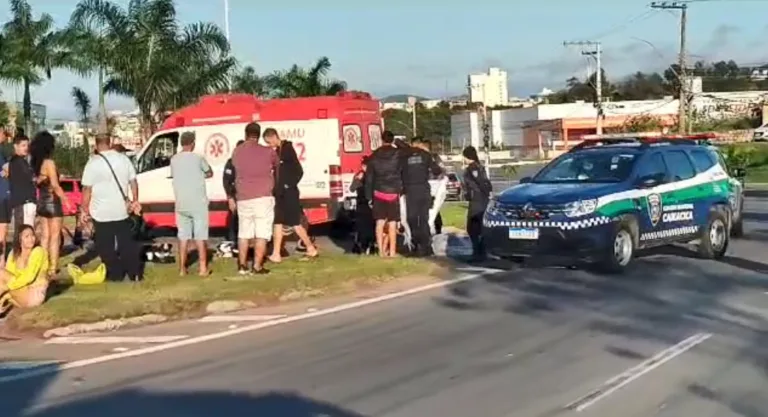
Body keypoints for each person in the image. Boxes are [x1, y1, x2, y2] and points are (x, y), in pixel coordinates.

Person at [81, 134, 143, 282]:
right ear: (110, 143)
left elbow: (87, 190)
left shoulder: (92, 163)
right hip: (121, 210)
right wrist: (135, 200)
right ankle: (134, 273)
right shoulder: (123, 159)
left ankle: (115, 274)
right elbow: (133, 182)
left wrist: (84, 209)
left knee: (105, 246)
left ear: (96, 146)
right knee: (126, 244)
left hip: (101, 212)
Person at [263, 128, 318, 262]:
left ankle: (310, 248)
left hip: (289, 192)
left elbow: (298, 170)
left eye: (268, 142)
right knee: (277, 222)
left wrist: (289, 184)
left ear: (274, 137)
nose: (268, 145)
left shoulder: (287, 149)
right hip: (279, 193)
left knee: (294, 223)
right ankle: (276, 254)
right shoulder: (276, 152)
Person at [232, 122, 278, 275]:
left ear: (246, 135)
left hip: (243, 197)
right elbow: (277, 166)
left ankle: (242, 265)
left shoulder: (237, 151)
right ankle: (257, 266)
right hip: (263, 196)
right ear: (259, 136)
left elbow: (235, 168)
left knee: (244, 233)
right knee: (262, 233)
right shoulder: (268, 151)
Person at [170, 131, 213, 276]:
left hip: (181, 202)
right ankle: (202, 268)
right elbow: (209, 172)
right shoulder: (198, 158)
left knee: (183, 236)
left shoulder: (174, 159)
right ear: (193, 143)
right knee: (200, 235)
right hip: (197, 202)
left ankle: (182, 269)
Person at [30, 131, 70, 276]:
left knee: (45, 236)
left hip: (41, 202)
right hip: (53, 202)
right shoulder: (49, 163)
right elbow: (55, 185)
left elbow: (39, 182)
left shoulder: (35, 163)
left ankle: (43, 265)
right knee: (55, 236)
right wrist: (66, 200)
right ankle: (53, 267)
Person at [400, 136, 443, 257]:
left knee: (412, 218)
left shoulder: (404, 156)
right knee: (424, 219)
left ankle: (415, 245)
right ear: (420, 144)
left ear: (411, 144)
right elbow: (437, 171)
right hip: (424, 190)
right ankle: (427, 247)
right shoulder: (425, 155)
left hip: (410, 191)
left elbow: (399, 171)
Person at [365, 130, 405, 257]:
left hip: (378, 192)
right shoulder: (398, 154)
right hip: (393, 192)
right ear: (392, 140)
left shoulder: (374, 156)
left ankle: (381, 252)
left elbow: (369, 178)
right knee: (393, 223)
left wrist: (369, 196)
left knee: (379, 223)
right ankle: (392, 252)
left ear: (381, 140)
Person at [0, 225, 49, 308]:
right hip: (19, 292)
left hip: (33, 294)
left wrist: (7, 288)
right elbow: (9, 273)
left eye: (32, 235)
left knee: (2, 275)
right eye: (27, 236)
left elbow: (29, 277)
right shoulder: (14, 253)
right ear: (19, 239)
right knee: (1, 274)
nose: (31, 239)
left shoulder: (38, 251)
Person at [462, 146, 492, 262]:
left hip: (478, 200)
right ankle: (479, 252)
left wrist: (486, 194)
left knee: (473, 227)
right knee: (477, 227)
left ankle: (478, 253)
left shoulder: (473, 169)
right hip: (478, 199)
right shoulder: (477, 167)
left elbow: (482, 183)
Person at [8, 135, 36, 231]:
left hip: (22, 203)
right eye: (23, 145)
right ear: (16, 146)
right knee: (25, 232)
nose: (26, 148)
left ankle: (18, 246)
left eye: (27, 145)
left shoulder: (20, 161)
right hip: (24, 203)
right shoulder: (18, 161)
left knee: (21, 231)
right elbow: (32, 178)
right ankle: (18, 247)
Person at [350, 156, 374, 254]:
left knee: (368, 226)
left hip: (369, 203)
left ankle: (369, 245)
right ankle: (362, 245)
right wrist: (357, 180)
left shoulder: (372, 175)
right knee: (362, 226)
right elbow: (352, 188)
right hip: (362, 203)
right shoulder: (359, 175)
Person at [223, 140, 244, 244]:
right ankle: (232, 241)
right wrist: (230, 198)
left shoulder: (250, 162)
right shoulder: (231, 162)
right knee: (233, 219)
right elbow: (226, 181)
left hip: (247, 196)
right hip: (235, 195)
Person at [0, 128, 11, 267]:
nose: (4, 136)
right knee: (2, 230)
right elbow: (6, 171)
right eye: (3, 133)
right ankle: (1, 263)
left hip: (4, 195)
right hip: (2, 196)